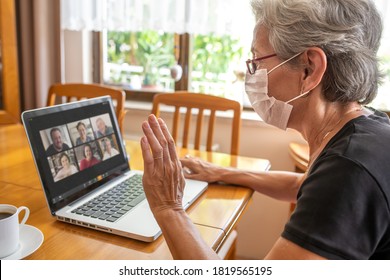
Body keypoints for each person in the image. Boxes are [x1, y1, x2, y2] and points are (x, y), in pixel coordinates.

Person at [140, 0, 390, 260]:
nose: (252, 74)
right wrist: (220, 172)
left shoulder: (349, 170)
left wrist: (168, 207)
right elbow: (300, 185)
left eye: (257, 60)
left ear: (309, 69)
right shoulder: (362, 127)